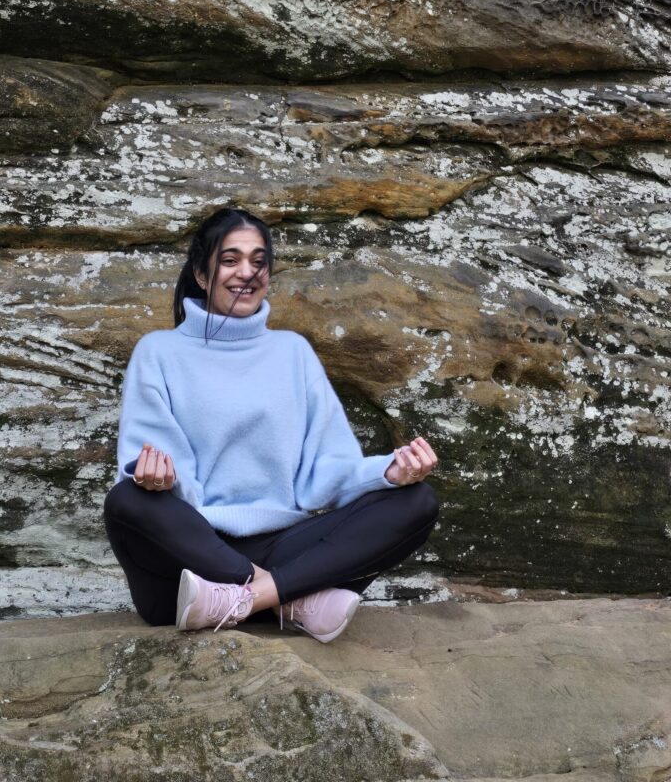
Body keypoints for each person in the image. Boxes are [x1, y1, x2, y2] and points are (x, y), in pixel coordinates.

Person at [102, 207, 439, 643]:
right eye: (230, 260)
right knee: (127, 499)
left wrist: (388, 474)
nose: (247, 272)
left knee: (417, 502)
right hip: (187, 569)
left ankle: (251, 598)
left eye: (259, 261)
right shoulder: (159, 352)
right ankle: (289, 601)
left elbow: (330, 470)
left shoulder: (292, 352)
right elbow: (154, 464)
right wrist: (159, 478)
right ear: (202, 275)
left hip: (285, 551)